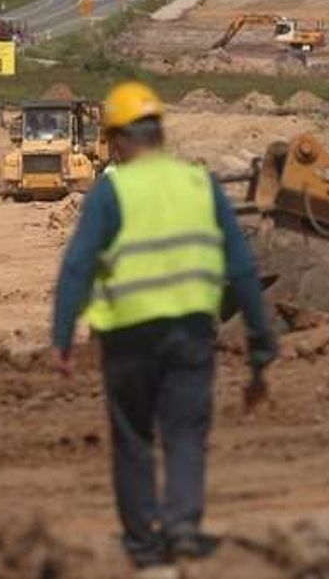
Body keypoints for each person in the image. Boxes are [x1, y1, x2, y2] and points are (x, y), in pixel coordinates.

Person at [52, 81, 278, 568]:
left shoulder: (112, 189)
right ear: (160, 133)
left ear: (117, 139)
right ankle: (182, 531)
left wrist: (62, 339)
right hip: (192, 334)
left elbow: (76, 267)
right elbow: (241, 268)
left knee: (133, 438)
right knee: (184, 433)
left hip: (128, 338)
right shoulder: (200, 184)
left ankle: (143, 545)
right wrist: (261, 342)